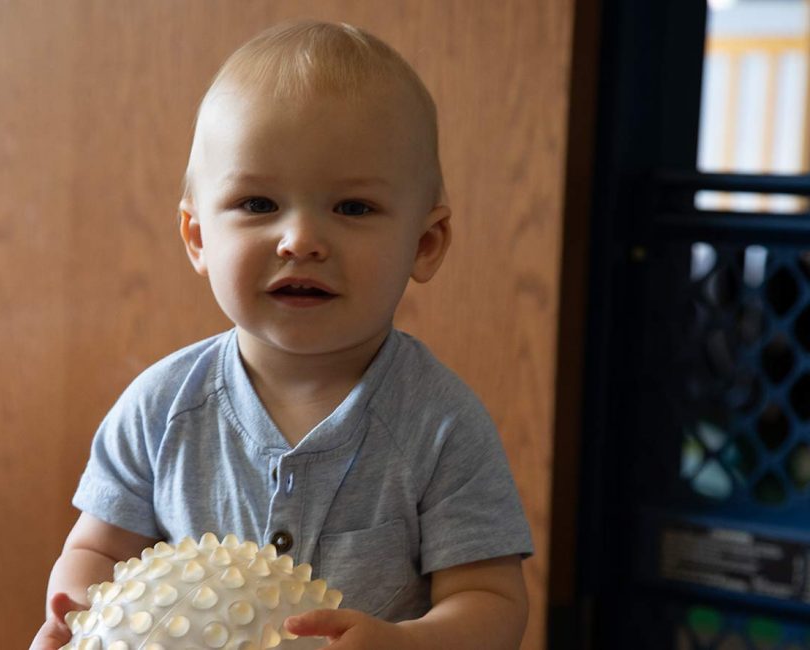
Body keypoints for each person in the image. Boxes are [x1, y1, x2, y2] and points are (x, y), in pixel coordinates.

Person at [31, 19, 533, 650]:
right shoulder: (160, 408)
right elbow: (97, 548)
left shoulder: (440, 426)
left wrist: (408, 643)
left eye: (352, 208)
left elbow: (491, 602)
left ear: (425, 244)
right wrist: (79, 612)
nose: (300, 240)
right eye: (258, 205)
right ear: (197, 238)